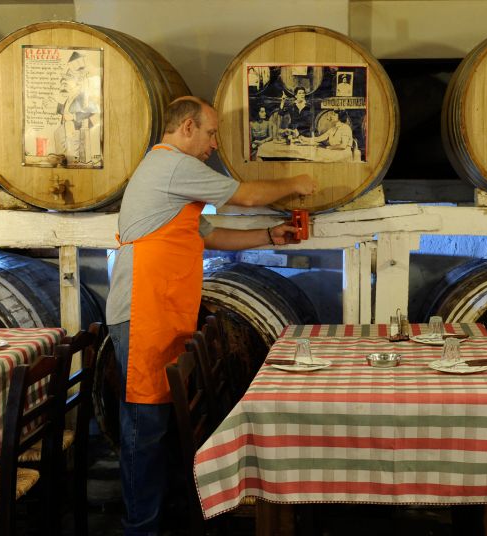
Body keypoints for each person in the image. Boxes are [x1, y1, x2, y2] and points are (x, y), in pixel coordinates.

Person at [105, 95, 317, 536]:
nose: (214, 144)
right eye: (211, 133)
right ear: (186, 127)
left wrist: (269, 235)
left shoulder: (172, 179)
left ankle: (156, 519)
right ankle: (139, 528)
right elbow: (245, 195)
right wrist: (296, 180)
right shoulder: (171, 164)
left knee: (156, 424)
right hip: (143, 309)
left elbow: (209, 234)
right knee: (145, 427)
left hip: (158, 308)